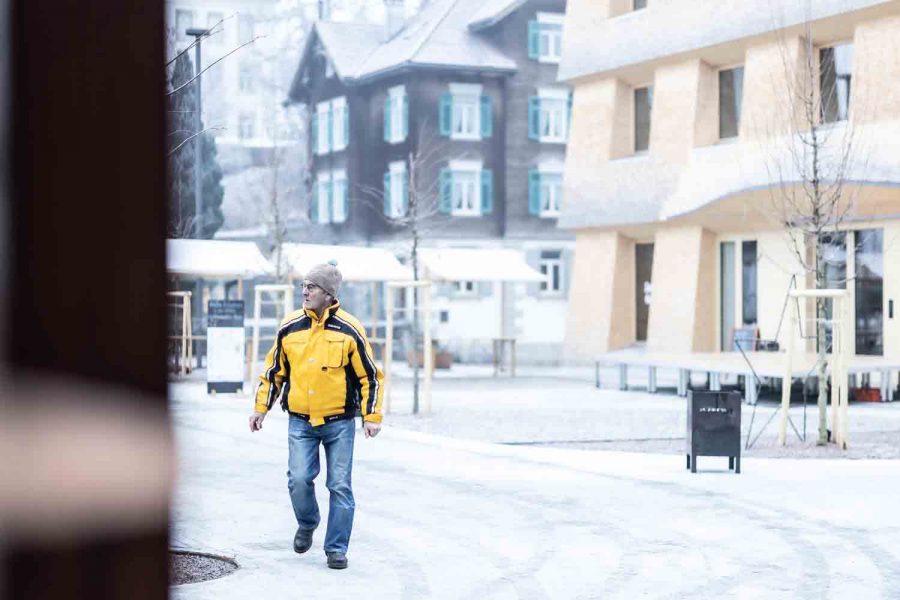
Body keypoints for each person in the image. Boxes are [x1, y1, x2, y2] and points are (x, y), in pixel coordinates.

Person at [248, 261, 383, 570]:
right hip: (300, 421)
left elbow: (370, 377)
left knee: (339, 485)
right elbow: (274, 372)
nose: (304, 292)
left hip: (339, 423)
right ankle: (308, 522)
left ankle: (336, 548)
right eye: (303, 286)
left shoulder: (350, 329)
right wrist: (260, 408)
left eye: (311, 287)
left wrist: (372, 416)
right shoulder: (290, 326)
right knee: (298, 479)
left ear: (329, 294)